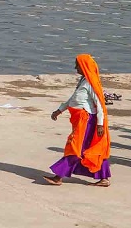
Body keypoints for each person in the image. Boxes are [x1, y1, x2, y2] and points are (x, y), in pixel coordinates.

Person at [44, 55, 110, 187]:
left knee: (75, 147)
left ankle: (59, 176)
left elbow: (100, 104)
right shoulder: (83, 80)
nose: (75, 68)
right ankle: (104, 178)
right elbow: (73, 99)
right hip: (79, 120)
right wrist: (60, 110)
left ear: (84, 66)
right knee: (86, 148)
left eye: (77, 65)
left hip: (87, 121)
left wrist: (100, 124)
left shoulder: (91, 82)